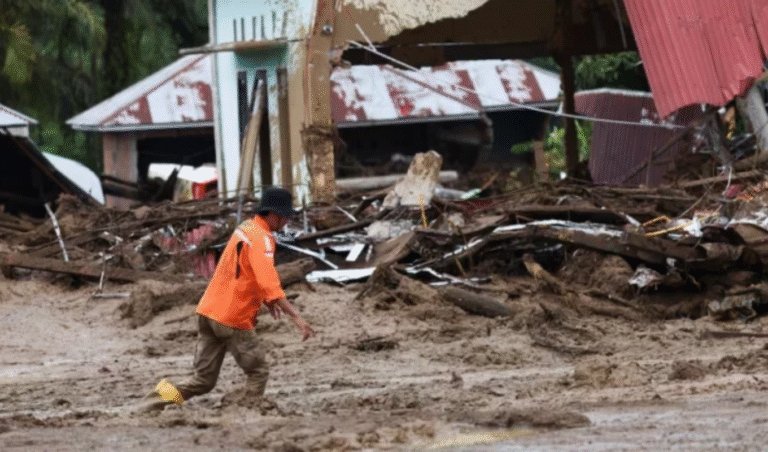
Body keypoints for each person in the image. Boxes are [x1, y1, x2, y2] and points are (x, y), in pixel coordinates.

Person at [138, 187, 315, 413]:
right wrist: (297, 318)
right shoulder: (262, 239)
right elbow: (269, 282)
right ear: (273, 214)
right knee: (258, 372)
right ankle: (243, 414)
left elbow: (244, 270)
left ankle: (149, 403)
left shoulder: (245, 228)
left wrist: (266, 300)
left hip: (209, 311)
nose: (287, 220)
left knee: (202, 381)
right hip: (233, 317)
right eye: (286, 216)